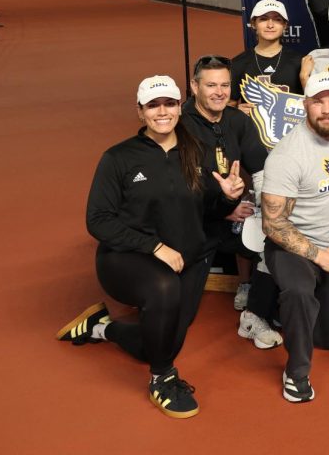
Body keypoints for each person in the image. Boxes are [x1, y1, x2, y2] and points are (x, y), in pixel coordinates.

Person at [58, 76, 245, 419]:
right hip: (126, 257)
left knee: (159, 342)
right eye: (153, 105)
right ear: (140, 111)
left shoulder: (195, 151)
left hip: (185, 257)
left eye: (170, 104)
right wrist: (154, 246)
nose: (163, 111)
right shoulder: (118, 158)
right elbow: (97, 220)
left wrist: (227, 198)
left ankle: (101, 327)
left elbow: (204, 210)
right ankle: (163, 379)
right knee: (164, 291)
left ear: (179, 107)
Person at [260, 71, 329, 403]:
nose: (327, 110)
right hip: (292, 245)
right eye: (318, 102)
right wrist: (318, 255)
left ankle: (283, 311)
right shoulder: (287, 154)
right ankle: (296, 373)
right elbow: (273, 225)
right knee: (301, 291)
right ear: (306, 105)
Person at [179, 55, 277, 349]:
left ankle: (254, 314)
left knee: (274, 238)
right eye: (211, 85)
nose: (220, 92)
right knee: (177, 318)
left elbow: (261, 169)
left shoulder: (237, 120)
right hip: (194, 224)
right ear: (194, 87)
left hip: (232, 214)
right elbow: (178, 191)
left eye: (225, 85)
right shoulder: (181, 125)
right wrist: (224, 205)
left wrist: (265, 209)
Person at [230, 0, 304, 108]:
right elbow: (229, 104)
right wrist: (236, 112)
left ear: (285, 25)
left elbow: (312, 102)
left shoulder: (300, 61)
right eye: (263, 19)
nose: (270, 25)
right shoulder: (238, 63)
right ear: (253, 24)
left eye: (277, 19)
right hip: (251, 125)